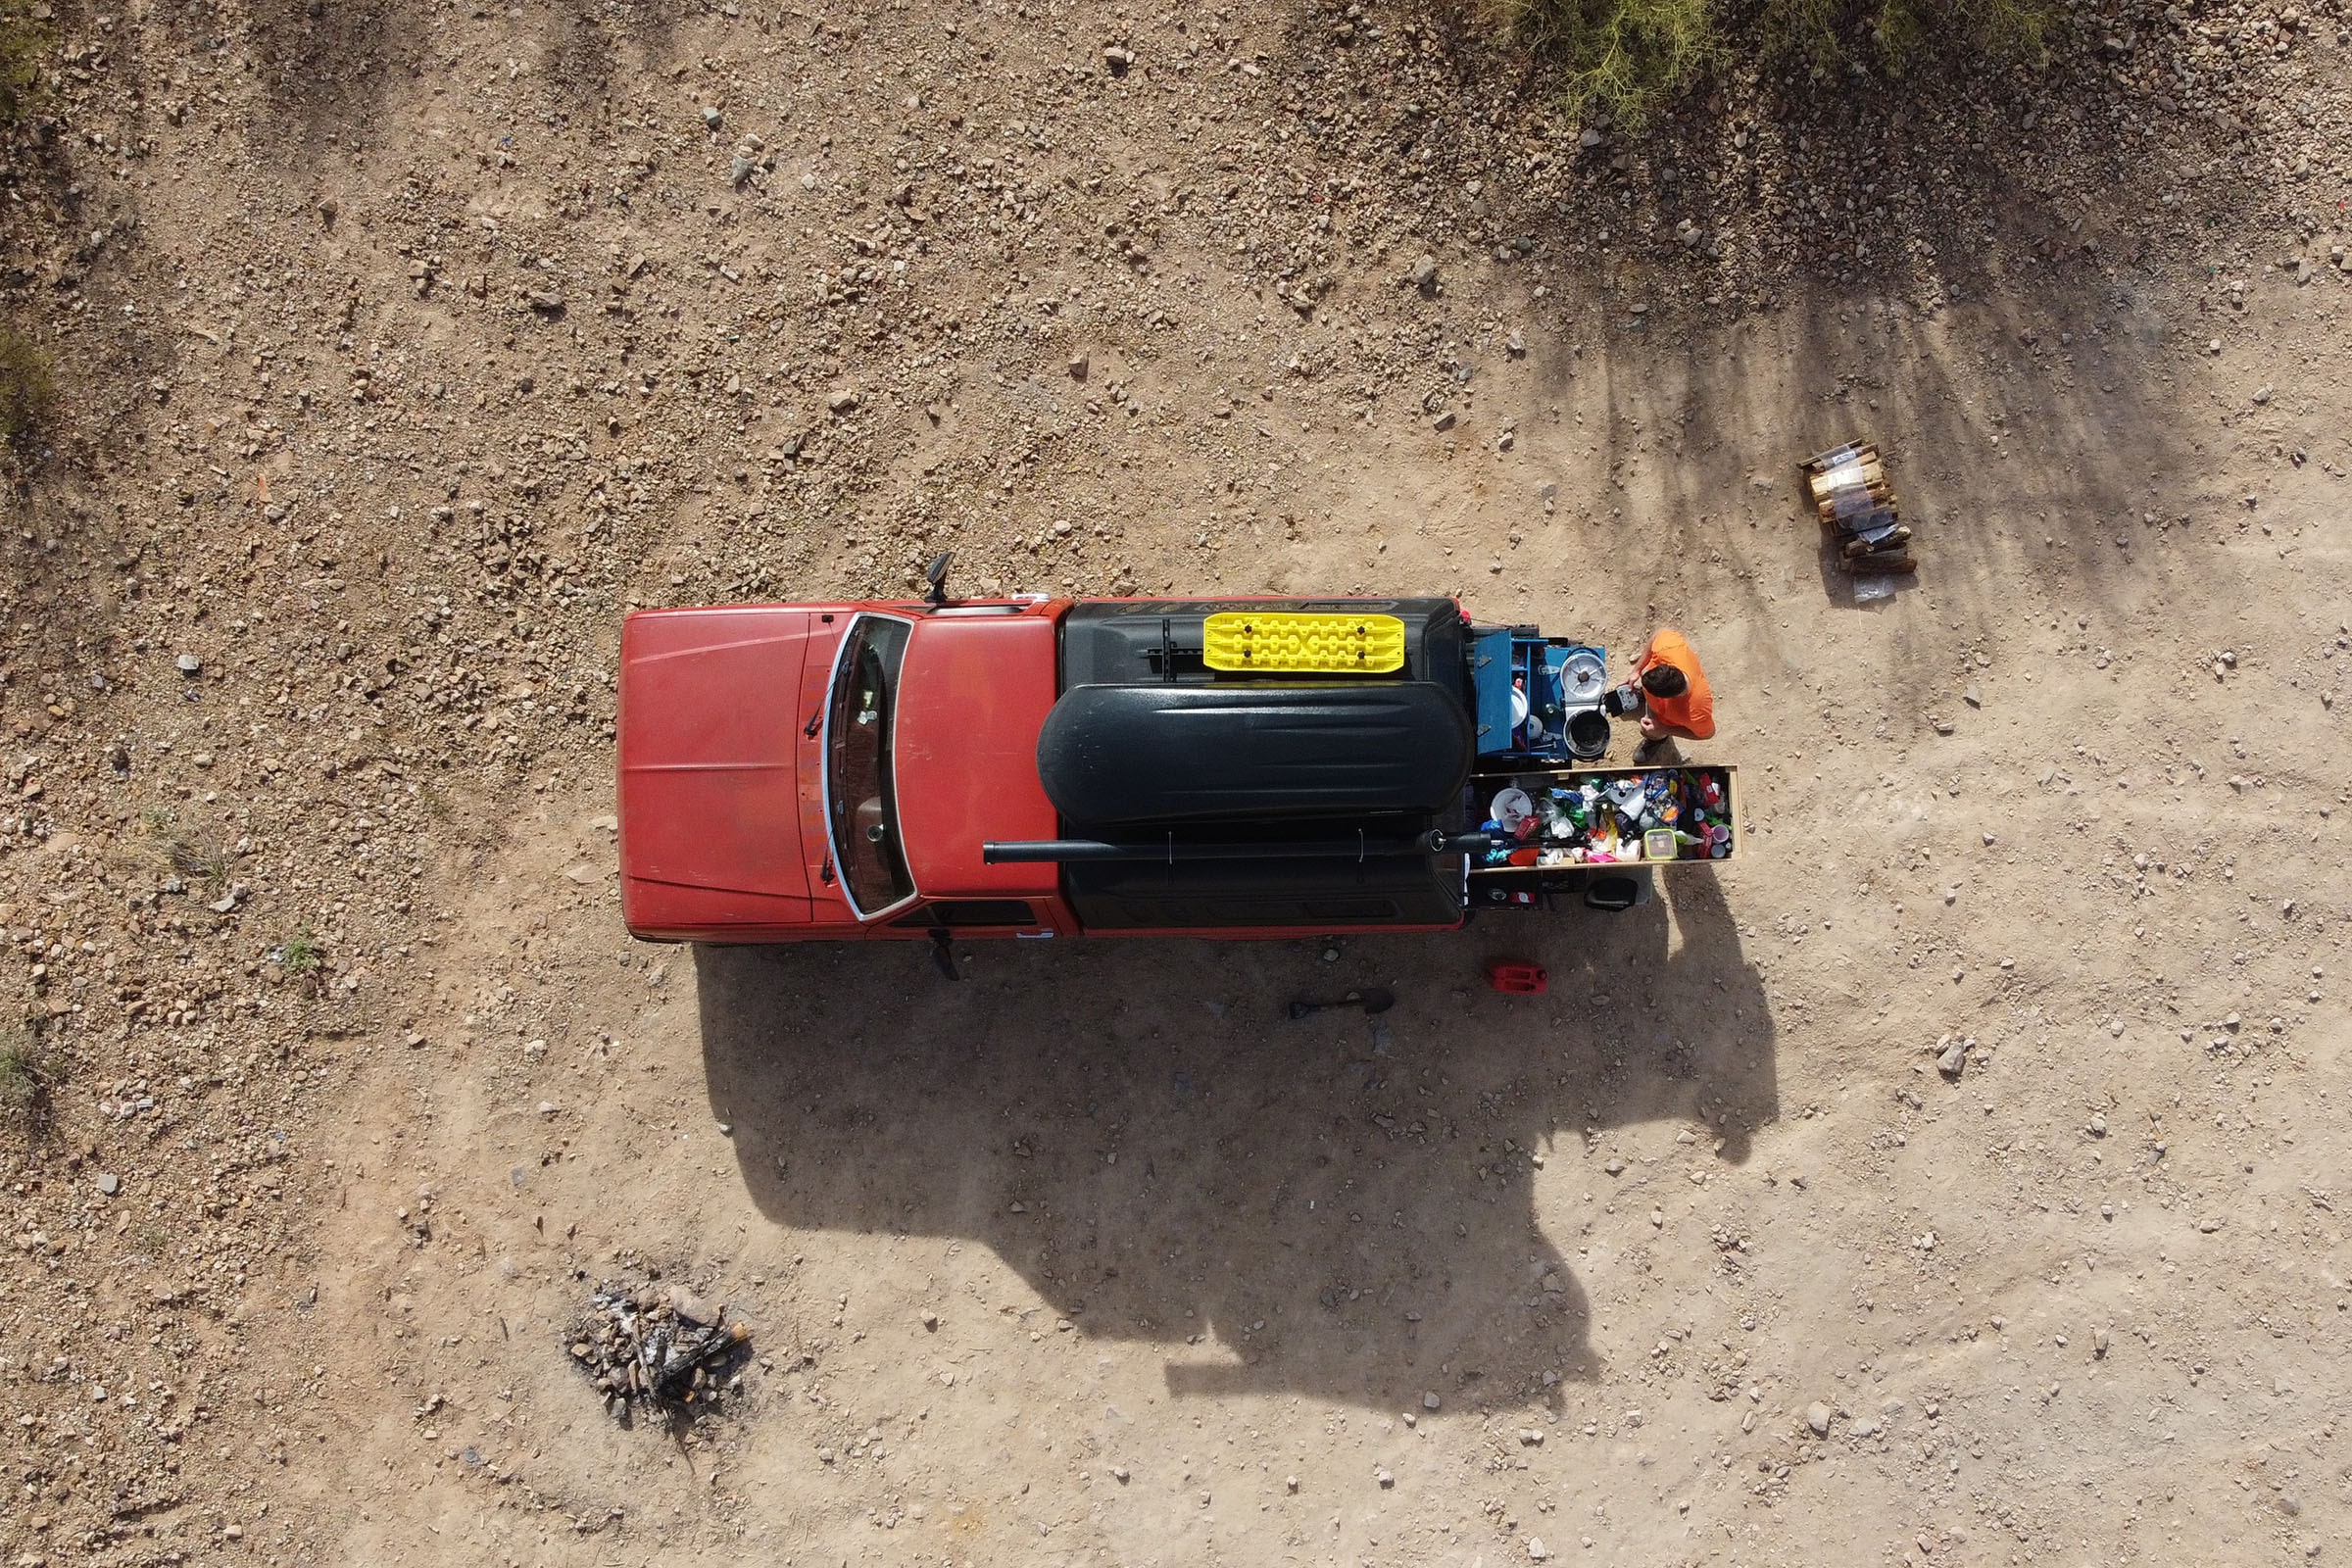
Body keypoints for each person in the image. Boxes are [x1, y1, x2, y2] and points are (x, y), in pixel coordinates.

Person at [1611, 627, 1713, 759]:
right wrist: (1636, 671)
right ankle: (1642, 695)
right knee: (1644, 671)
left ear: (1667, 698)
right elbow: (1658, 634)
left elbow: (1707, 734)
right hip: (1660, 698)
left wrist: (1662, 729)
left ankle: (1656, 739)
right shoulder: (1670, 648)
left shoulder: (1696, 711)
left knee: (1650, 729)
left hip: (1664, 719)